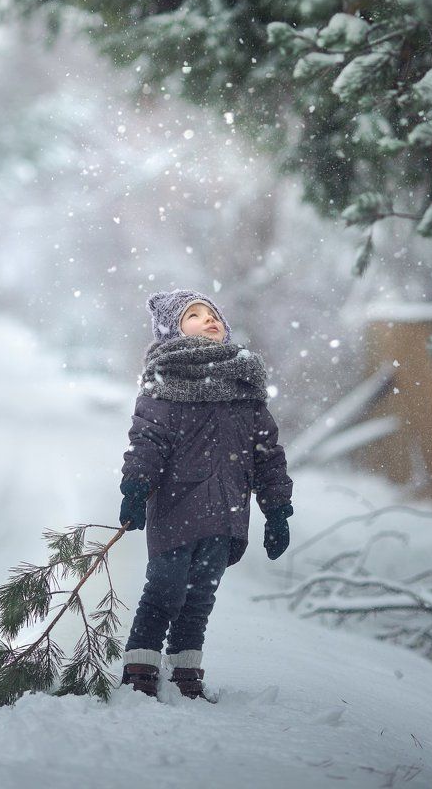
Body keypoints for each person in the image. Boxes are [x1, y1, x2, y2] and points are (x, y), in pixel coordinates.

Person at [118, 289, 293, 701]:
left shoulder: (244, 384)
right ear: (171, 333)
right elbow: (147, 440)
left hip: (227, 512)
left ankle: (184, 671)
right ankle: (140, 666)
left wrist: (277, 509)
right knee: (165, 588)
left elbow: (267, 453)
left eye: (212, 313)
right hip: (177, 507)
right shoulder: (165, 382)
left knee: (200, 595)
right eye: (193, 315)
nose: (208, 319)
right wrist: (135, 486)